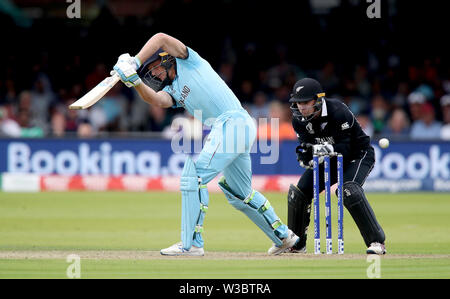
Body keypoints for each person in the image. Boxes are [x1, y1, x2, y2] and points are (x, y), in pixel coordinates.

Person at [112, 33, 298, 256]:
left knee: (194, 177)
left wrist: (135, 61)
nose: (154, 73)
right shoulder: (173, 91)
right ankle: (284, 237)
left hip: (232, 122)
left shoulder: (188, 60)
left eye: (155, 67)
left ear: (167, 60)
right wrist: (136, 82)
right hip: (235, 127)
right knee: (239, 192)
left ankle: (191, 244)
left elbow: (161, 38)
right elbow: (156, 99)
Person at [287, 78, 386, 255]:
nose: (301, 107)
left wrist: (317, 149)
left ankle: (376, 242)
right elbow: (307, 147)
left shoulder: (338, 111)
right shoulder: (298, 120)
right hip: (330, 158)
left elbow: (345, 149)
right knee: (299, 192)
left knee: (348, 190)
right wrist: (306, 157)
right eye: (298, 103)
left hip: (358, 155)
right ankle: (296, 243)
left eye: (305, 102)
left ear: (318, 100)